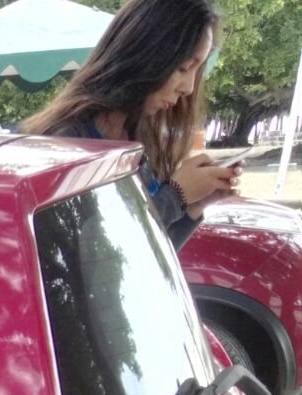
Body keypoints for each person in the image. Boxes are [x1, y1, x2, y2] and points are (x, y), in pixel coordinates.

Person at [25, 0, 238, 248]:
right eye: (182, 68)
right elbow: (97, 260)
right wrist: (175, 196)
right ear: (145, 55)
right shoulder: (67, 142)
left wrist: (192, 207)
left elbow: (146, 260)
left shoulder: (137, 135)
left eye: (196, 70)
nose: (188, 88)